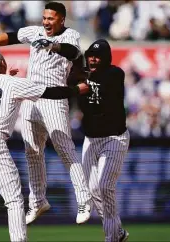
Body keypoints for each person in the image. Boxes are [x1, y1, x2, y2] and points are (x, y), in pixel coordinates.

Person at [0, 45, 90, 242]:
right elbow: (48, 92)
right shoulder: (13, 84)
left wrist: (8, 77)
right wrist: (75, 90)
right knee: (14, 201)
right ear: (3, 63)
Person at [0, 2, 92, 225]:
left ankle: (84, 200)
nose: (46, 22)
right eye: (45, 17)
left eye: (51, 18)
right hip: (31, 97)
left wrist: (52, 45)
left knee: (65, 149)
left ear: (62, 20)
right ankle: (38, 201)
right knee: (32, 151)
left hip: (54, 99)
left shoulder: (71, 35)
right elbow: (10, 36)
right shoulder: (35, 31)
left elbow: (73, 52)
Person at [73, 39, 130, 242]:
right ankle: (118, 232)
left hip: (114, 138)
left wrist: (81, 78)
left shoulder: (115, 74)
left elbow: (103, 89)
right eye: (90, 56)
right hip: (91, 138)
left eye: (97, 56)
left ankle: (112, 237)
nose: (93, 59)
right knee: (93, 189)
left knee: (105, 186)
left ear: (106, 58)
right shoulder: (83, 77)